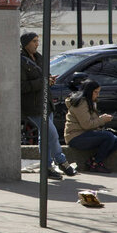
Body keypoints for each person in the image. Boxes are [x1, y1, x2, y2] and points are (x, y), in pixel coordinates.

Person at [20, 32, 76, 180]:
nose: (37, 44)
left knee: (44, 136)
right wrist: (43, 81)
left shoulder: (39, 58)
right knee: (51, 134)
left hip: (46, 102)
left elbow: (44, 77)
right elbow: (22, 86)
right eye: (34, 41)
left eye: (37, 41)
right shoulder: (21, 61)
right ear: (26, 43)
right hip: (33, 106)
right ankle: (61, 160)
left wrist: (49, 80)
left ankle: (47, 166)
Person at [64, 79, 117, 173]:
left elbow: (90, 121)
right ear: (89, 91)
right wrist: (102, 120)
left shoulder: (90, 101)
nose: (97, 95)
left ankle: (94, 161)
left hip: (85, 134)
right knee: (108, 136)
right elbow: (86, 124)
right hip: (75, 137)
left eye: (98, 92)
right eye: (95, 92)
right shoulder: (81, 103)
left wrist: (100, 118)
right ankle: (95, 164)